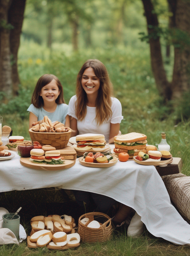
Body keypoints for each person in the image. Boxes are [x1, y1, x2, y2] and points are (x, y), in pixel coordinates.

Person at [68, 59, 131, 225]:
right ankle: (93, 218)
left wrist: (100, 153)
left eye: (94, 78)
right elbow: (73, 135)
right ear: (80, 79)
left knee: (102, 202)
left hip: (104, 157)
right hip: (81, 157)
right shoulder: (75, 101)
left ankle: (112, 216)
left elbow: (113, 138)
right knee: (83, 201)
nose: (89, 82)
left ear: (101, 81)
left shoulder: (113, 104)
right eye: (85, 77)